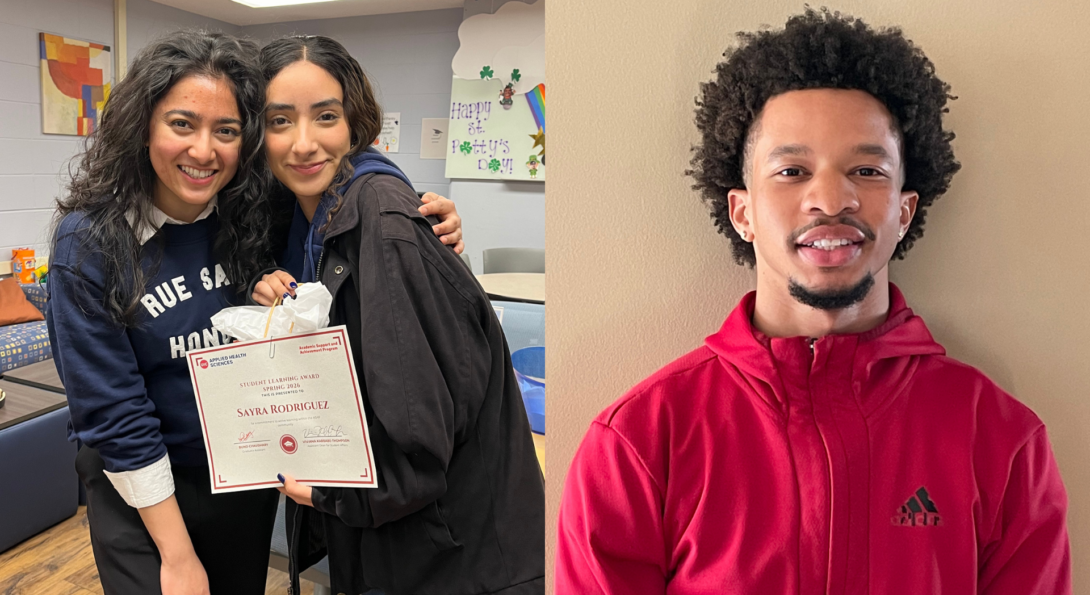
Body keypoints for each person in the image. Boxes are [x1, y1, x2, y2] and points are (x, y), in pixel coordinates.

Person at [555, 9, 1071, 594]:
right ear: (741, 211)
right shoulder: (639, 444)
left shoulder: (1004, 442)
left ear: (904, 211)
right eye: (792, 170)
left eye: (867, 169)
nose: (831, 198)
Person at [47, 30, 463, 595]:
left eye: (227, 131)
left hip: (242, 472)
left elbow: (340, 175)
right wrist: (176, 554)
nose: (204, 151)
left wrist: (420, 219)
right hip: (142, 488)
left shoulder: (254, 211)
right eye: (181, 124)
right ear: (141, 125)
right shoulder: (90, 243)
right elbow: (112, 412)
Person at [250, 35, 545, 595]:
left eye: (326, 116)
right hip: (390, 534)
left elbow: (418, 429)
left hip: (450, 552)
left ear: (355, 122)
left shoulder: (381, 220)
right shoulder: (298, 217)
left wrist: (332, 494)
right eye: (279, 121)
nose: (303, 143)